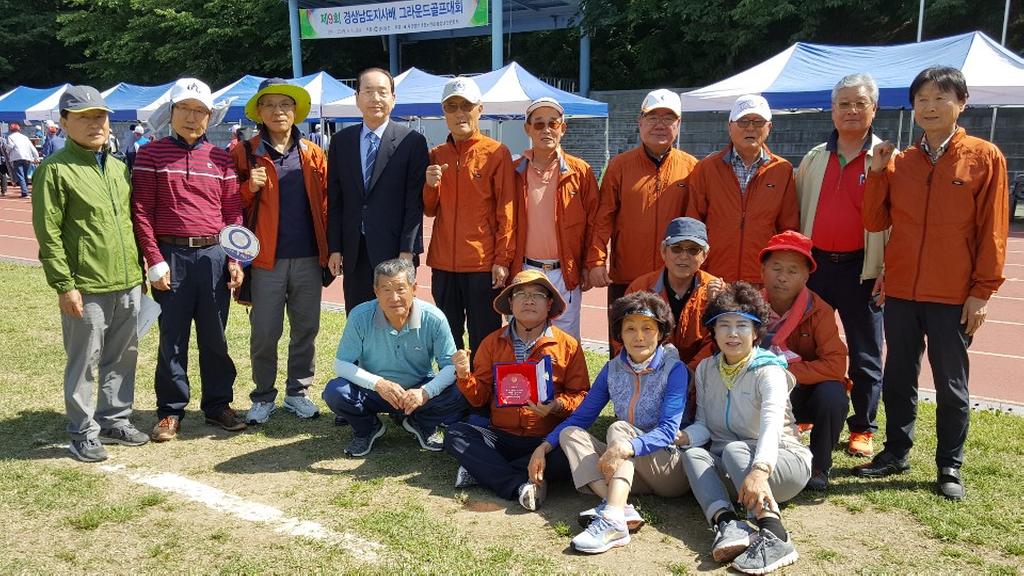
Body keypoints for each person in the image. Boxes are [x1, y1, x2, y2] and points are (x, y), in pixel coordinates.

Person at [856, 66, 1009, 501]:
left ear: (961, 103)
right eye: (921, 99)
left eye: (940, 98)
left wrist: (981, 292)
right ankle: (896, 451)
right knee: (898, 376)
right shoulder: (900, 160)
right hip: (902, 290)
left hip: (953, 294)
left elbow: (992, 230)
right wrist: (878, 172)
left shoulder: (984, 157)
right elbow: (873, 220)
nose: (929, 106)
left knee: (951, 384)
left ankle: (949, 465)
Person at [31, 86, 150, 462]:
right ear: (64, 122)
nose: (94, 124)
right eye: (83, 117)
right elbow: (48, 233)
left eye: (99, 116)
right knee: (84, 361)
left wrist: (140, 274)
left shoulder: (116, 166)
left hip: (128, 280)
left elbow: (129, 223)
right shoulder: (54, 170)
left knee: (123, 356)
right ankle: (81, 431)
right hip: (87, 284)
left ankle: (115, 419)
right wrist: (65, 286)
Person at [131, 77, 246, 442]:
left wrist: (235, 260)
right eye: (185, 109)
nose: (192, 118)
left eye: (200, 112)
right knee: (172, 337)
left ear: (210, 117)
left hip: (214, 255)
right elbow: (141, 210)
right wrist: (153, 258)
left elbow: (232, 213)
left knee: (216, 338)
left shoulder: (221, 158)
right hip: (171, 255)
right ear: (172, 112)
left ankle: (217, 405)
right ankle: (170, 411)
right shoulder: (150, 155)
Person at [533, 291, 690, 554]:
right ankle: (616, 504)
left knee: (618, 428)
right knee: (570, 433)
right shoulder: (612, 369)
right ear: (620, 333)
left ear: (661, 333)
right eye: (630, 329)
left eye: (647, 328)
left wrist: (625, 447)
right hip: (626, 471)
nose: (639, 336)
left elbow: (667, 432)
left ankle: (612, 519)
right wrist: (543, 447)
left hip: (668, 468)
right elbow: (582, 417)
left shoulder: (675, 370)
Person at [678, 283, 810, 574]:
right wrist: (683, 437)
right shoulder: (706, 369)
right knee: (693, 454)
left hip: (781, 463)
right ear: (713, 331)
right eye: (723, 325)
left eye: (742, 325)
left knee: (737, 450)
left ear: (756, 332)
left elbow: (772, 427)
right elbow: (703, 425)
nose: (732, 333)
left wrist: (761, 469)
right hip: (733, 463)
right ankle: (729, 524)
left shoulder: (770, 370)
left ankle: (776, 534)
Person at [444, 269, 590, 510]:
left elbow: (582, 395)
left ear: (549, 303)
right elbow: (479, 397)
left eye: (538, 295)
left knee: (572, 454)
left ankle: (483, 471)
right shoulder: (492, 342)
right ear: (510, 303)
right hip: (501, 435)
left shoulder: (568, 345)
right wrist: (464, 376)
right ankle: (519, 484)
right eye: (520, 294)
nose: (529, 300)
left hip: (547, 440)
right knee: (455, 435)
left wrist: (556, 405)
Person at [796, 73, 886, 460]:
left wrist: (887, 267)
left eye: (859, 103)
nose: (851, 110)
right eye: (843, 104)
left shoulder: (887, 159)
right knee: (804, 344)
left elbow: (898, 219)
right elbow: (799, 210)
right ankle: (808, 413)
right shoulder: (815, 157)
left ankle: (863, 427)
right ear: (832, 110)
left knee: (865, 351)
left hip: (862, 269)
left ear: (874, 108)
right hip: (816, 267)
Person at [231, 78, 328, 425]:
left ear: (295, 110)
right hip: (265, 259)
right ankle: (263, 396)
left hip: (307, 257)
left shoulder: (313, 153)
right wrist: (247, 187)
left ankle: (297, 392)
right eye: (269, 104)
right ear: (259, 111)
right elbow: (229, 207)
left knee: (306, 329)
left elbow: (327, 203)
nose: (278, 111)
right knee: (265, 332)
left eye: (284, 104)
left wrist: (329, 251)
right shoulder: (244, 151)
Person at [322, 258, 467, 457]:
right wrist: (379, 384)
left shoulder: (434, 318)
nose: (394, 297)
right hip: (375, 392)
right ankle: (368, 428)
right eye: (386, 290)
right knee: (335, 391)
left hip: (417, 391)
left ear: (414, 288)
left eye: (400, 288)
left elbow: (450, 366)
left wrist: (425, 392)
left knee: (463, 388)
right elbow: (341, 365)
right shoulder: (360, 316)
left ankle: (421, 423)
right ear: (376, 291)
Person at [587, 90, 698, 350]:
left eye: (668, 118)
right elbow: (603, 218)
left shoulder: (693, 168)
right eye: (652, 117)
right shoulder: (619, 166)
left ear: (679, 124)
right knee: (622, 346)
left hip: (676, 277)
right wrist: (596, 259)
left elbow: (698, 225)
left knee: (673, 347)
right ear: (640, 122)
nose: (660, 124)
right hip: (627, 275)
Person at [424, 77, 514, 355]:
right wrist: (430, 186)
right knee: (447, 337)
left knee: (484, 336)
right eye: (452, 107)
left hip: (481, 264)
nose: (459, 113)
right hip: (443, 263)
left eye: (466, 106)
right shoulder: (436, 154)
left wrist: (502, 259)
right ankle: (452, 391)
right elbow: (429, 209)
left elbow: (506, 211)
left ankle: (484, 394)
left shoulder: (497, 153)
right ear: (444, 113)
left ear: (479, 109)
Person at [327, 67, 429, 312]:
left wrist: (407, 250)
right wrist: (335, 248)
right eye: (368, 91)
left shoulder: (411, 142)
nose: (375, 99)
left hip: (394, 249)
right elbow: (335, 199)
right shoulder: (342, 142)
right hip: (354, 249)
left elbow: (413, 202)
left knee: (396, 316)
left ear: (393, 99)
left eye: (382, 92)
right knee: (358, 316)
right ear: (357, 98)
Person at [758, 231, 850, 491]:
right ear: (763, 269)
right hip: (757, 389)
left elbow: (835, 365)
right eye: (776, 268)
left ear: (807, 276)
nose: (783, 277)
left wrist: (783, 369)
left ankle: (820, 466)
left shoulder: (820, 310)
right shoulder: (749, 304)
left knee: (834, 394)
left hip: (800, 392)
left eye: (792, 271)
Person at [509, 97, 598, 340]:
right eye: (538, 124)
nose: (546, 130)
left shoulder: (581, 171)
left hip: (564, 272)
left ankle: (567, 381)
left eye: (553, 123)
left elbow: (594, 222)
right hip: (526, 269)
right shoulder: (514, 171)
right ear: (527, 129)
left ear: (563, 128)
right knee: (524, 336)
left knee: (564, 342)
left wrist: (590, 264)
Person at [686, 94, 799, 284]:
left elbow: (788, 227)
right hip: (714, 277)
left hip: (763, 277)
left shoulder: (782, 170)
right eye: (743, 121)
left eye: (758, 121)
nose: (750, 128)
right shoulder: (707, 168)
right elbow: (694, 223)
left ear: (769, 127)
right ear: (730, 126)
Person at [626, 217, 723, 371]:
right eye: (677, 248)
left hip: (700, 376)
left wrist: (689, 373)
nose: (684, 256)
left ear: (704, 255)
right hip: (648, 372)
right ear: (663, 251)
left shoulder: (718, 292)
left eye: (693, 250)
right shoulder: (640, 289)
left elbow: (718, 341)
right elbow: (624, 337)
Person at [7, 122, 40, 197]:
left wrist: (6, 149)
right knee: (25, 175)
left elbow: (10, 147)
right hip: (27, 158)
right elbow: (32, 148)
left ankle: (25, 192)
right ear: (19, 129)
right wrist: (36, 157)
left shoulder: (10, 137)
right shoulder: (25, 137)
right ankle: (26, 191)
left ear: (11, 130)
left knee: (20, 175)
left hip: (17, 157)